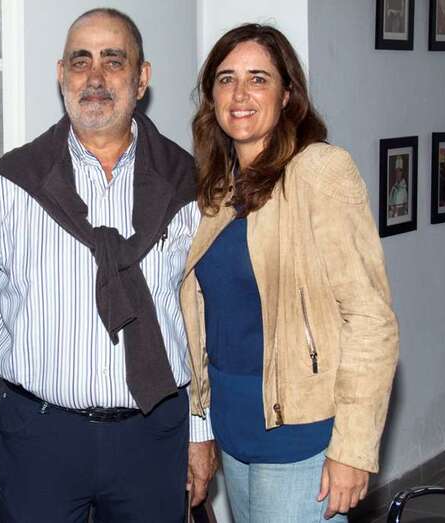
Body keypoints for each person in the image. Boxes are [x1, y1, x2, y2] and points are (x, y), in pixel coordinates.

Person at [0, 8, 216, 522]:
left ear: (142, 78)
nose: (95, 77)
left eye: (113, 60)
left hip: (153, 435)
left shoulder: (189, 187)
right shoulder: (8, 187)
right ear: (61, 74)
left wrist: (199, 431)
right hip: (39, 437)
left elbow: (201, 322)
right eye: (81, 61)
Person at [182, 24, 399, 522]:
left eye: (258, 79)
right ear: (212, 97)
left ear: (287, 95)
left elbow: (371, 319)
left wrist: (353, 448)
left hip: (302, 438)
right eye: (226, 79)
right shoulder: (217, 191)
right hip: (235, 433)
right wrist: (201, 425)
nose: (240, 94)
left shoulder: (318, 172)